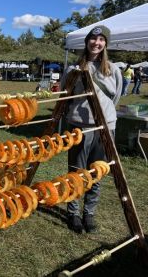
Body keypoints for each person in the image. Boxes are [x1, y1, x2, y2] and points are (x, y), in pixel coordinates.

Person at [61, 25, 122, 234]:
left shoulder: (113, 69)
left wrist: (105, 114)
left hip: (105, 127)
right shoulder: (73, 69)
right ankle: (73, 212)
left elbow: (116, 97)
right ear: (87, 41)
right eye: (93, 38)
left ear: (106, 44)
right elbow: (65, 97)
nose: (97, 42)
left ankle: (89, 212)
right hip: (80, 127)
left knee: (97, 171)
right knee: (76, 173)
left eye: (101, 39)